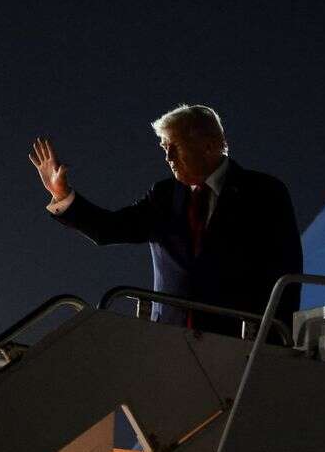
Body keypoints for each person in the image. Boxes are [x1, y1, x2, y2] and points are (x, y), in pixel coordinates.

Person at [29, 104, 302, 341]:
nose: (168, 157)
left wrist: (276, 341)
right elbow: (109, 229)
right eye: (164, 148)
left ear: (209, 145)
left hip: (238, 343)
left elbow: (287, 273)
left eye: (175, 147)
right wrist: (62, 195)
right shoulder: (164, 195)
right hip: (169, 341)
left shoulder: (263, 192)